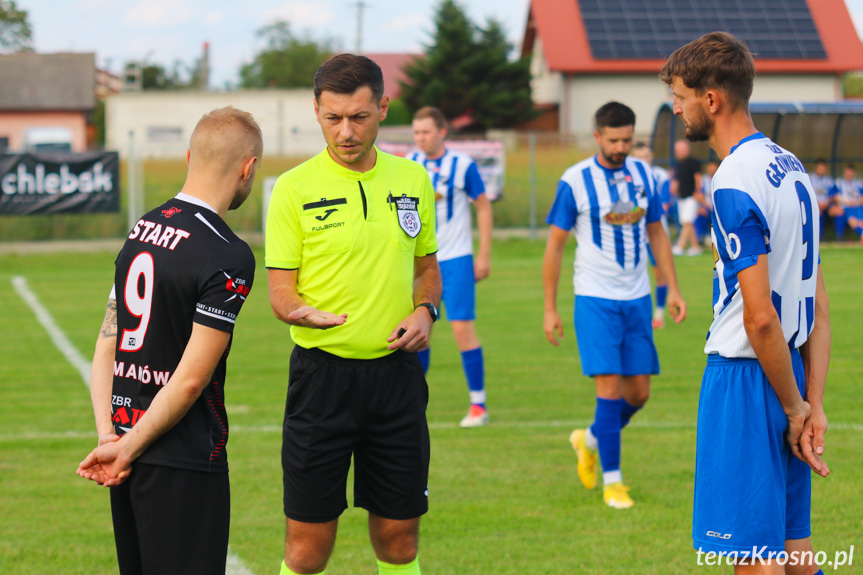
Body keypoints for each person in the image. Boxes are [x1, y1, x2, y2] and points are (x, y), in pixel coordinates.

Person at [661, 31, 831, 574]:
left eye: (679, 97)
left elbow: (760, 319)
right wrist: (812, 400)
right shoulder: (794, 169)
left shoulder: (734, 177)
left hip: (749, 377)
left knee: (754, 562)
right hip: (792, 376)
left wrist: (793, 408)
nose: (676, 109)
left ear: (710, 100)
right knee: (793, 553)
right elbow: (820, 305)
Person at [265, 54, 441, 575]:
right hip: (322, 383)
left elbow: (427, 271)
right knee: (307, 550)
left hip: (396, 379)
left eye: (359, 117)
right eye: (333, 118)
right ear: (316, 110)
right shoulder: (293, 189)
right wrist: (299, 312)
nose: (345, 131)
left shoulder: (413, 180)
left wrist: (427, 310)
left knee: (399, 542)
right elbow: (279, 290)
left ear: (383, 108)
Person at [76, 106, 262, 575]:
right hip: (180, 457)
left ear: (188, 157)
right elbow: (189, 381)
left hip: (125, 446)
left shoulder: (142, 228)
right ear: (248, 167)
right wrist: (129, 447)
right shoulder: (228, 253)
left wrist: (111, 438)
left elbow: (106, 344)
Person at [542, 102, 687, 509]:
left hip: (638, 298)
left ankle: (587, 440)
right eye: (614, 140)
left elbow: (657, 233)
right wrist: (550, 309)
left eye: (628, 139)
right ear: (597, 137)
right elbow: (554, 248)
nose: (621, 147)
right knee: (607, 391)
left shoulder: (644, 176)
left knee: (638, 394)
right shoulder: (575, 181)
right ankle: (613, 482)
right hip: (595, 299)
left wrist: (672, 288)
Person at [409, 106, 493, 427]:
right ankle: (413, 403)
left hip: (455, 258)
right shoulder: (408, 167)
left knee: (462, 329)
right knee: (417, 331)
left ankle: (478, 406)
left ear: (442, 132)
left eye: (426, 131)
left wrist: (483, 253)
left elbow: (483, 208)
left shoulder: (462, 165)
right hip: (417, 263)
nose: (421, 138)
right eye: (417, 132)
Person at [630, 142, 672, 329]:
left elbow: (663, 205)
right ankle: (637, 315)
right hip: (635, 234)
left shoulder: (661, 176)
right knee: (634, 273)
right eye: (638, 157)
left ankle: (659, 314)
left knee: (658, 274)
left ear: (651, 156)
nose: (643, 160)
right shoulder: (627, 177)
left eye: (646, 156)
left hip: (656, 233)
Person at [671, 139, 703, 255]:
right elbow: (676, 181)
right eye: (677, 150)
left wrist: (697, 192)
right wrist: (673, 191)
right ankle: (695, 247)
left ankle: (680, 246)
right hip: (681, 197)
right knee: (687, 223)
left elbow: (698, 178)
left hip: (692, 196)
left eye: (681, 150)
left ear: (687, 150)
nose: (679, 152)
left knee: (687, 221)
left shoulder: (694, 163)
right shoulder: (678, 165)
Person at [829, 164, 863, 240]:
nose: (849, 174)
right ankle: (840, 238)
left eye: (851, 172)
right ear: (845, 172)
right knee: (851, 219)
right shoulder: (838, 182)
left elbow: (861, 198)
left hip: (857, 207)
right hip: (844, 207)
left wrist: (856, 202)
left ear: (854, 173)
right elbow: (834, 197)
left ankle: (861, 234)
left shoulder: (859, 183)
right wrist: (847, 202)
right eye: (848, 172)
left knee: (860, 221)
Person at [809, 159, 836, 238]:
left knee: (838, 211)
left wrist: (826, 203)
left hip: (827, 205)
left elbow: (833, 196)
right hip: (813, 204)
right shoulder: (809, 178)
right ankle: (819, 237)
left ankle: (839, 237)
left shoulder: (829, 180)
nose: (822, 170)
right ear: (815, 168)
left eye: (823, 168)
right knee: (817, 211)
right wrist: (817, 204)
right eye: (820, 168)